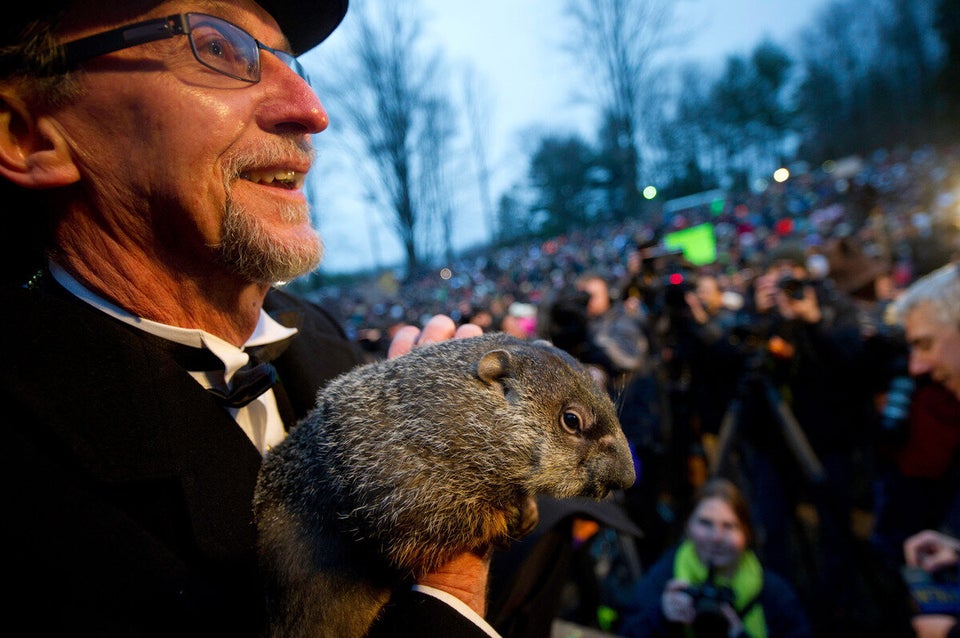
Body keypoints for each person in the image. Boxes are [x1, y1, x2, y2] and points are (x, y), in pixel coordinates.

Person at [0, 2, 490, 636]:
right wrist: (447, 573)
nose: (311, 111)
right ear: (29, 135)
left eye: (290, 62)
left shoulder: (315, 336)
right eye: (218, 48)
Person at [617, 477, 813, 638]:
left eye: (729, 526)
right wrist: (660, 616)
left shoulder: (773, 592)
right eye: (705, 523)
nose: (716, 537)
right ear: (687, 527)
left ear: (747, 534)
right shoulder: (664, 578)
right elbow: (626, 632)